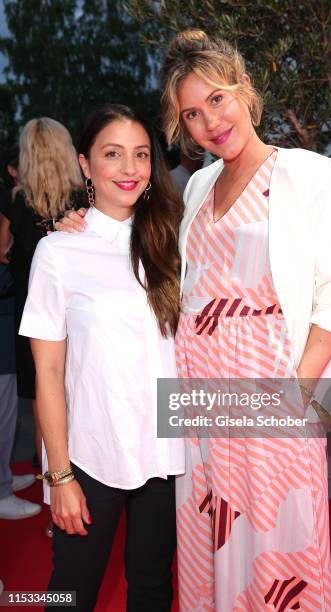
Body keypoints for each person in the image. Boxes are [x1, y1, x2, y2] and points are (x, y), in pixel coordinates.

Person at [57, 32, 331, 611]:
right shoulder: (195, 185)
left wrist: (298, 393)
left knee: (278, 559)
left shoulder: (308, 173)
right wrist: (77, 226)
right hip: (196, 406)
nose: (210, 123)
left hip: (277, 398)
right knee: (208, 548)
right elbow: (146, 250)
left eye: (217, 100)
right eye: (191, 114)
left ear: (243, 88)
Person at [19, 104, 184, 611]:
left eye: (140, 155)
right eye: (113, 155)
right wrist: (59, 477)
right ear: (85, 164)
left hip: (164, 452)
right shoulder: (58, 252)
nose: (130, 169)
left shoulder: (172, 240)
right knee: (72, 594)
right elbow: (46, 373)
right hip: (90, 455)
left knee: (154, 588)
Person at [0, 119, 84, 486]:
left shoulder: (14, 202)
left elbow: (3, 253)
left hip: (32, 318)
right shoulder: (85, 200)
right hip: (78, 317)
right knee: (78, 402)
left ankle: (56, 500)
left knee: (42, 405)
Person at [0, 149, 41, 520]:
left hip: (14, 312)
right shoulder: (11, 203)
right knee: (7, 407)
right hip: (9, 313)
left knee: (11, 407)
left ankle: (5, 481)